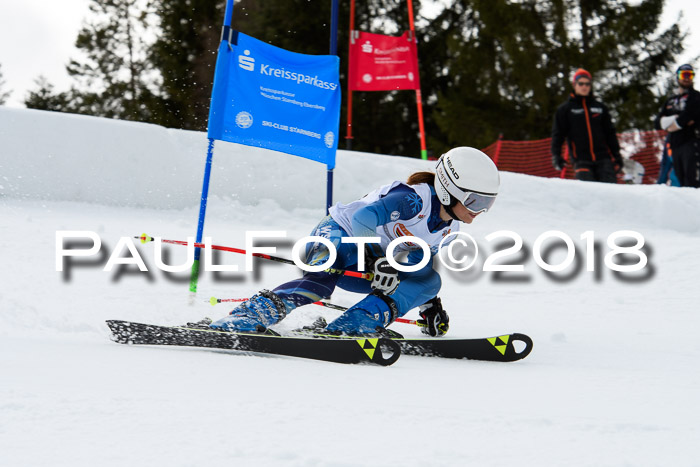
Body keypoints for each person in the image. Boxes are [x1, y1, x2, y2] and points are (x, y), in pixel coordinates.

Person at [210, 147, 500, 337]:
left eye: (488, 203)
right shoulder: (412, 199)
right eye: (475, 201)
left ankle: (356, 323)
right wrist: (380, 260)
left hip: (370, 265)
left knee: (430, 280)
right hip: (336, 237)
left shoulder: (450, 228)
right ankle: (248, 316)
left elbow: (416, 264)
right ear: (449, 189)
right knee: (323, 279)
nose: (480, 210)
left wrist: (427, 302)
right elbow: (363, 218)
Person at [551, 68, 623, 183]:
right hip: (581, 160)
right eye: (581, 84)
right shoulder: (565, 110)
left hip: (603, 159)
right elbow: (558, 134)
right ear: (574, 85)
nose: (584, 87)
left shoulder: (600, 108)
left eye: (587, 84)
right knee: (589, 193)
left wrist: (617, 156)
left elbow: (610, 133)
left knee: (610, 192)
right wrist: (556, 156)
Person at [654, 64, 700, 188]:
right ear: (677, 77)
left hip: (693, 143)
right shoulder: (671, 100)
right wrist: (674, 120)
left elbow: (689, 116)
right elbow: (657, 123)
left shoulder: (696, 96)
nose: (686, 78)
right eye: (683, 75)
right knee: (680, 183)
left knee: (692, 182)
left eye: (690, 75)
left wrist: (673, 123)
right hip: (674, 145)